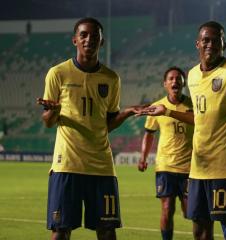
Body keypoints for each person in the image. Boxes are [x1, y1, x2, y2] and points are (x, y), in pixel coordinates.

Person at [142, 21, 226, 240]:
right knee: (199, 226)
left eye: (216, 40)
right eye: (206, 40)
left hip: (225, 167)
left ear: (224, 43)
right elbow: (198, 117)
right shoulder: (192, 75)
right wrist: (167, 111)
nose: (210, 44)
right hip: (197, 167)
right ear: (197, 44)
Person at [37, 17, 147, 240]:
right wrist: (54, 111)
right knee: (60, 231)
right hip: (67, 164)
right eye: (84, 35)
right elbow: (48, 121)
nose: (89, 39)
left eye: (94, 35)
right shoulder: (57, 73)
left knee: (107, 231)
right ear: (75, 40)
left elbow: (107, 124)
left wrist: (125, 113)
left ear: (102, 41)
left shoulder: (111, 78)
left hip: (101, 166)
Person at [137, 66, 193, 240]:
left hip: (190, 167)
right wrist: (143, 157)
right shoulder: (157, 107)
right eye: (171, 78)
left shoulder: (193, 105)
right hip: (165, 166)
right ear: (165, 84)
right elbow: (149, 134)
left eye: (178, 78)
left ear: (184, 83)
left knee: (189, 211)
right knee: (167, 208)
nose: (175, 81)